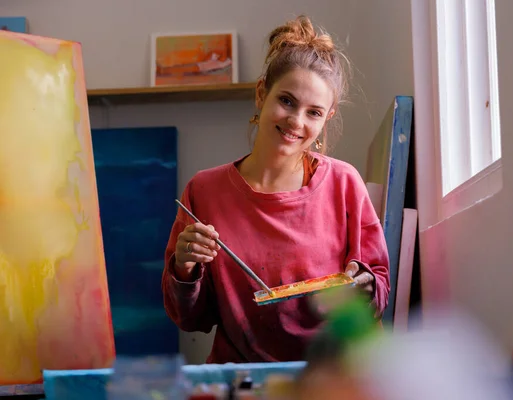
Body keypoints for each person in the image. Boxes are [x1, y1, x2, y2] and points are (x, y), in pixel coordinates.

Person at [161, 15, 391, 363]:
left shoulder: (344, 183)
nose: (296, 121)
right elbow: (190, 319)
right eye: (286, 101)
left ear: (327, 118)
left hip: (328, 378)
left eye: (313, 112)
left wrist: (367, 287)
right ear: (261, 94)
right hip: (240, 379)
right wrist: (184, 267)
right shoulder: (203, 191)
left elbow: (378, 291)